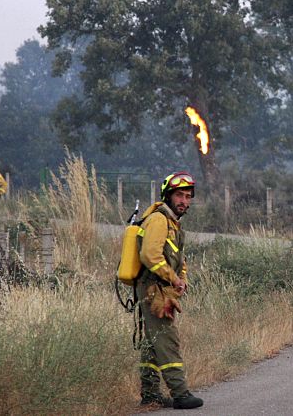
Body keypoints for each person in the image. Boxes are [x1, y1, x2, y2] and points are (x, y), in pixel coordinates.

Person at [136, 171, 203, 409]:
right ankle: (181, 394)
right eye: (179, 195)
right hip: (153, 289)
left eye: (188, 196)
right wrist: (172, 278)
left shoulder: (173, 223)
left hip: (162, 288)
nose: (184, 201)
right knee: (167, 339)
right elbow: (150, 255)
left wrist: (181, 279)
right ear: (168, 196)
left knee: (152, 342)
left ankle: (151, 394)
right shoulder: (158, 220)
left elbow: (178, 258)